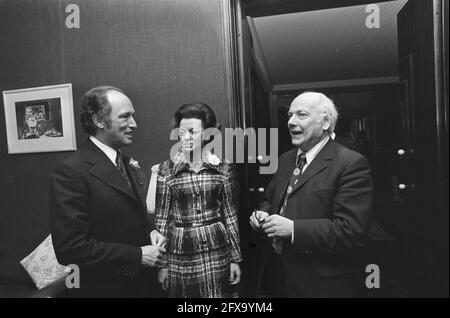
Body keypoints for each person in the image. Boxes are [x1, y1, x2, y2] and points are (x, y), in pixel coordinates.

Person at [250, 92, 373, 297]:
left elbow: (352, 230)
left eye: (301, 115)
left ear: (325, 122)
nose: (290, 122)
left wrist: (293, 229)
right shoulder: (286, 159)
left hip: (321, 284)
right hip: (278, 277)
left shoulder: (350, 163)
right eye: (290, 115)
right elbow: (269, 200)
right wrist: (262, 215)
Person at [50, 86, 166, 297]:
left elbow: (128, 214)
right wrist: (137, 255)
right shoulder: (72, 170)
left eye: (133, 116)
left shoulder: (127, 162)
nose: (134, 124)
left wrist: (150, 231)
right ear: (98, 121)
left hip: (141, 287)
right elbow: (70, 248)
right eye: (125, 117)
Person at [155, 102, 242, 298]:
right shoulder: (165, 170)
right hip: (181, 253)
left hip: (216, 251)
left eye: (192, 132)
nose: (185, 137)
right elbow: (161, 220)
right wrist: (162, 265)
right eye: (181, 131)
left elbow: (230, 216)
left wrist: (235, 259)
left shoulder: (223, 168)